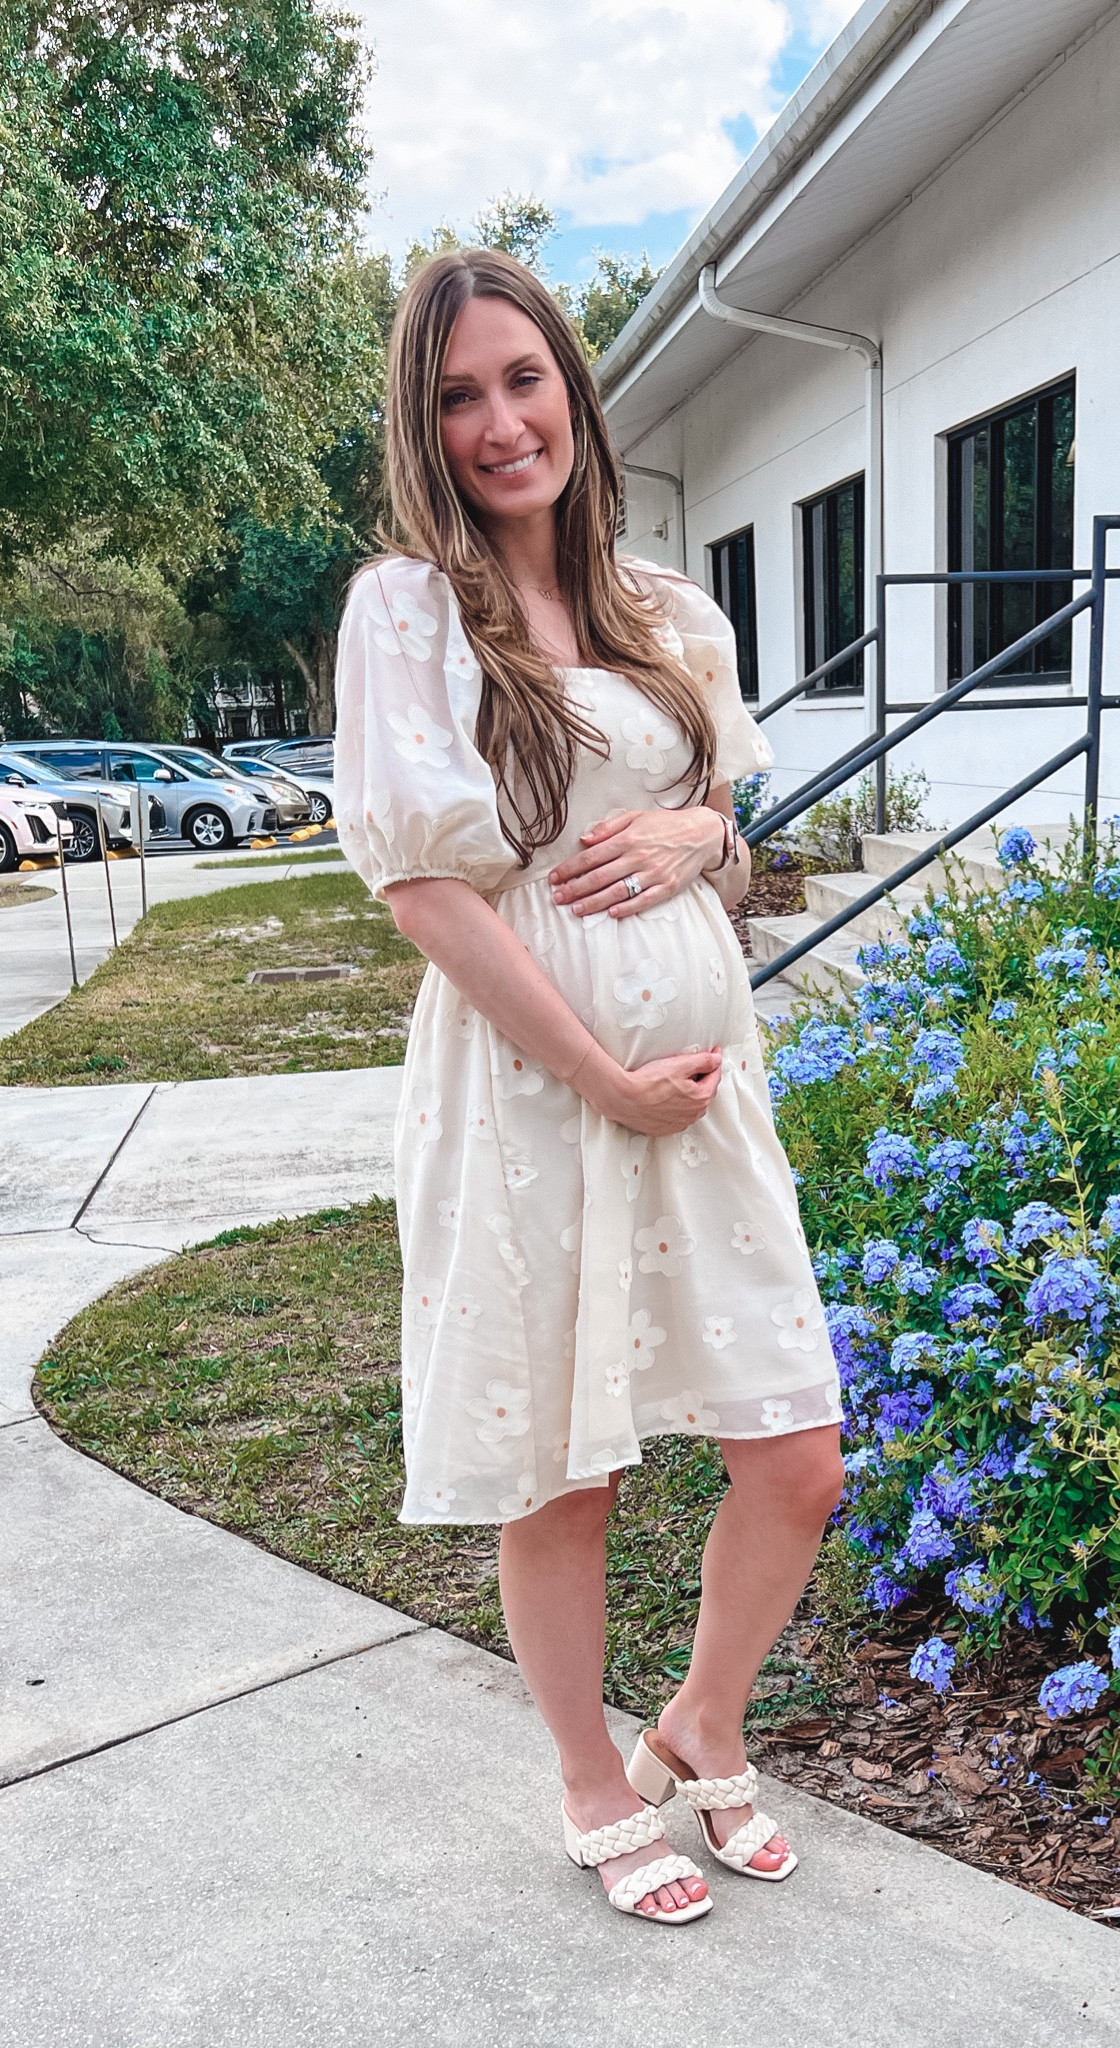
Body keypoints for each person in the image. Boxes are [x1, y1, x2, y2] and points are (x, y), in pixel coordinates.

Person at [334, 248, 845, 1927]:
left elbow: (734, 846)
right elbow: (425, 893)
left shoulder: (663, 608)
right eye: (458, 396)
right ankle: (581, 1777)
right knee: (571, 1467)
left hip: (707, 1098)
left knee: (796, 1454)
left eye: (522, 378)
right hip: (536, 1099)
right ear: (426, 428)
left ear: (573, 384)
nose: (500, 422)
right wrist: (603, 1077)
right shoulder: (407, 611)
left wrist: (714, 832)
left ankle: (698, 1726)